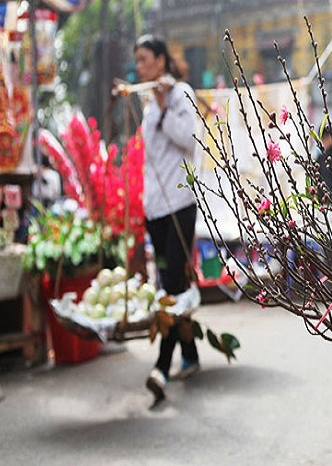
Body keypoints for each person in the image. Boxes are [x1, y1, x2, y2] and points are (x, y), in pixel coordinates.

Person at [134, 35, 201, 401]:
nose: (140, 67)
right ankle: (189, 353)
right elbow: (150, 156)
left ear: (161, 61)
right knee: (169, 281)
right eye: (138, 61)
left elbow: (190, 140)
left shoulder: (181, 95)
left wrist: (164, 105)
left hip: (180, 204)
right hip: (155, 210)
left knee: (173, 286)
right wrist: (154, 106)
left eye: (144, 60)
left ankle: (161, 366)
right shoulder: (148, 105)